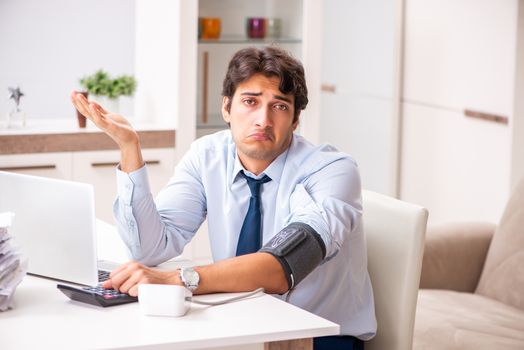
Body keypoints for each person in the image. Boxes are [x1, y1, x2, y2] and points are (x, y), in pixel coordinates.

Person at [71, 46, 376, 350]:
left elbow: (285, 266)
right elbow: (149, 249)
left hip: (316, 336)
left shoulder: (332, 170)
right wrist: (129, 148)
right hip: (240, 323)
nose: (263, 120)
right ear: (227, 109)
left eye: (280, 106)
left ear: (296, 120)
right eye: (250, 102)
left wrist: (177, 279)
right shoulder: (208, 156)